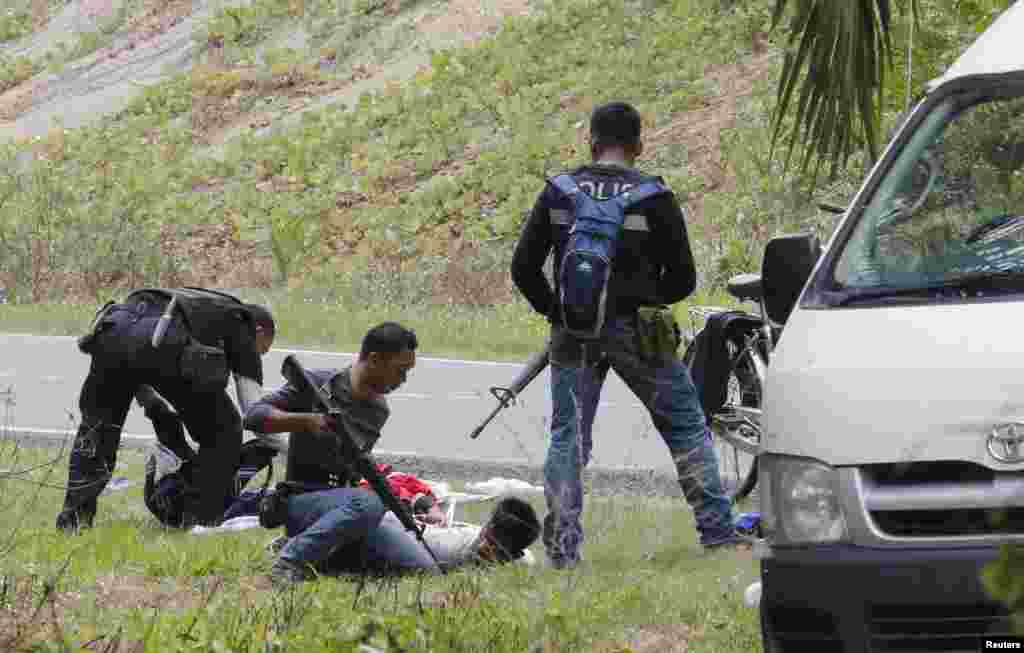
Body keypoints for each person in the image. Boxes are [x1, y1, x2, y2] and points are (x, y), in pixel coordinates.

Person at [510, 101, 748, 568]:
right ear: (638, 145)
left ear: (591, 142)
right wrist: (644, 298)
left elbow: (523, 268)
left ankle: (563, 550)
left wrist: (558, 311)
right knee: (685, 425)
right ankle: (718, 533)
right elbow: (683, 279)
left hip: (572, 333)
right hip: (639, 332)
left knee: (568, 437)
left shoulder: (559, 192)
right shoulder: (653, 196)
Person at [56, 287, 275, 533]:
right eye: (262, 350)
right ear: (258, 331)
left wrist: (155, 407)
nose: (258, 356)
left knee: (96, 433)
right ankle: (201, 517)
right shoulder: (241, 321)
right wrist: (291, 445)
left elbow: (135, 360)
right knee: (224, 429)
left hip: (114, 328)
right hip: (161, 338)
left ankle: (73, 521)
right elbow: (255, 414)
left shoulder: (201, 307)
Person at [242, 321, 436, 586]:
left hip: (347, 507)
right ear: (374, 359)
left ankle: (319, 551)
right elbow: (254, 416)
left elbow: (356, 469)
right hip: (301, 501)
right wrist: (306, 421)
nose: (402, 380)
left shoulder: (379, 411)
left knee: (422, 566)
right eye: (400, 370)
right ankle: (290, 560)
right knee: (369, 505)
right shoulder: (319, 385)